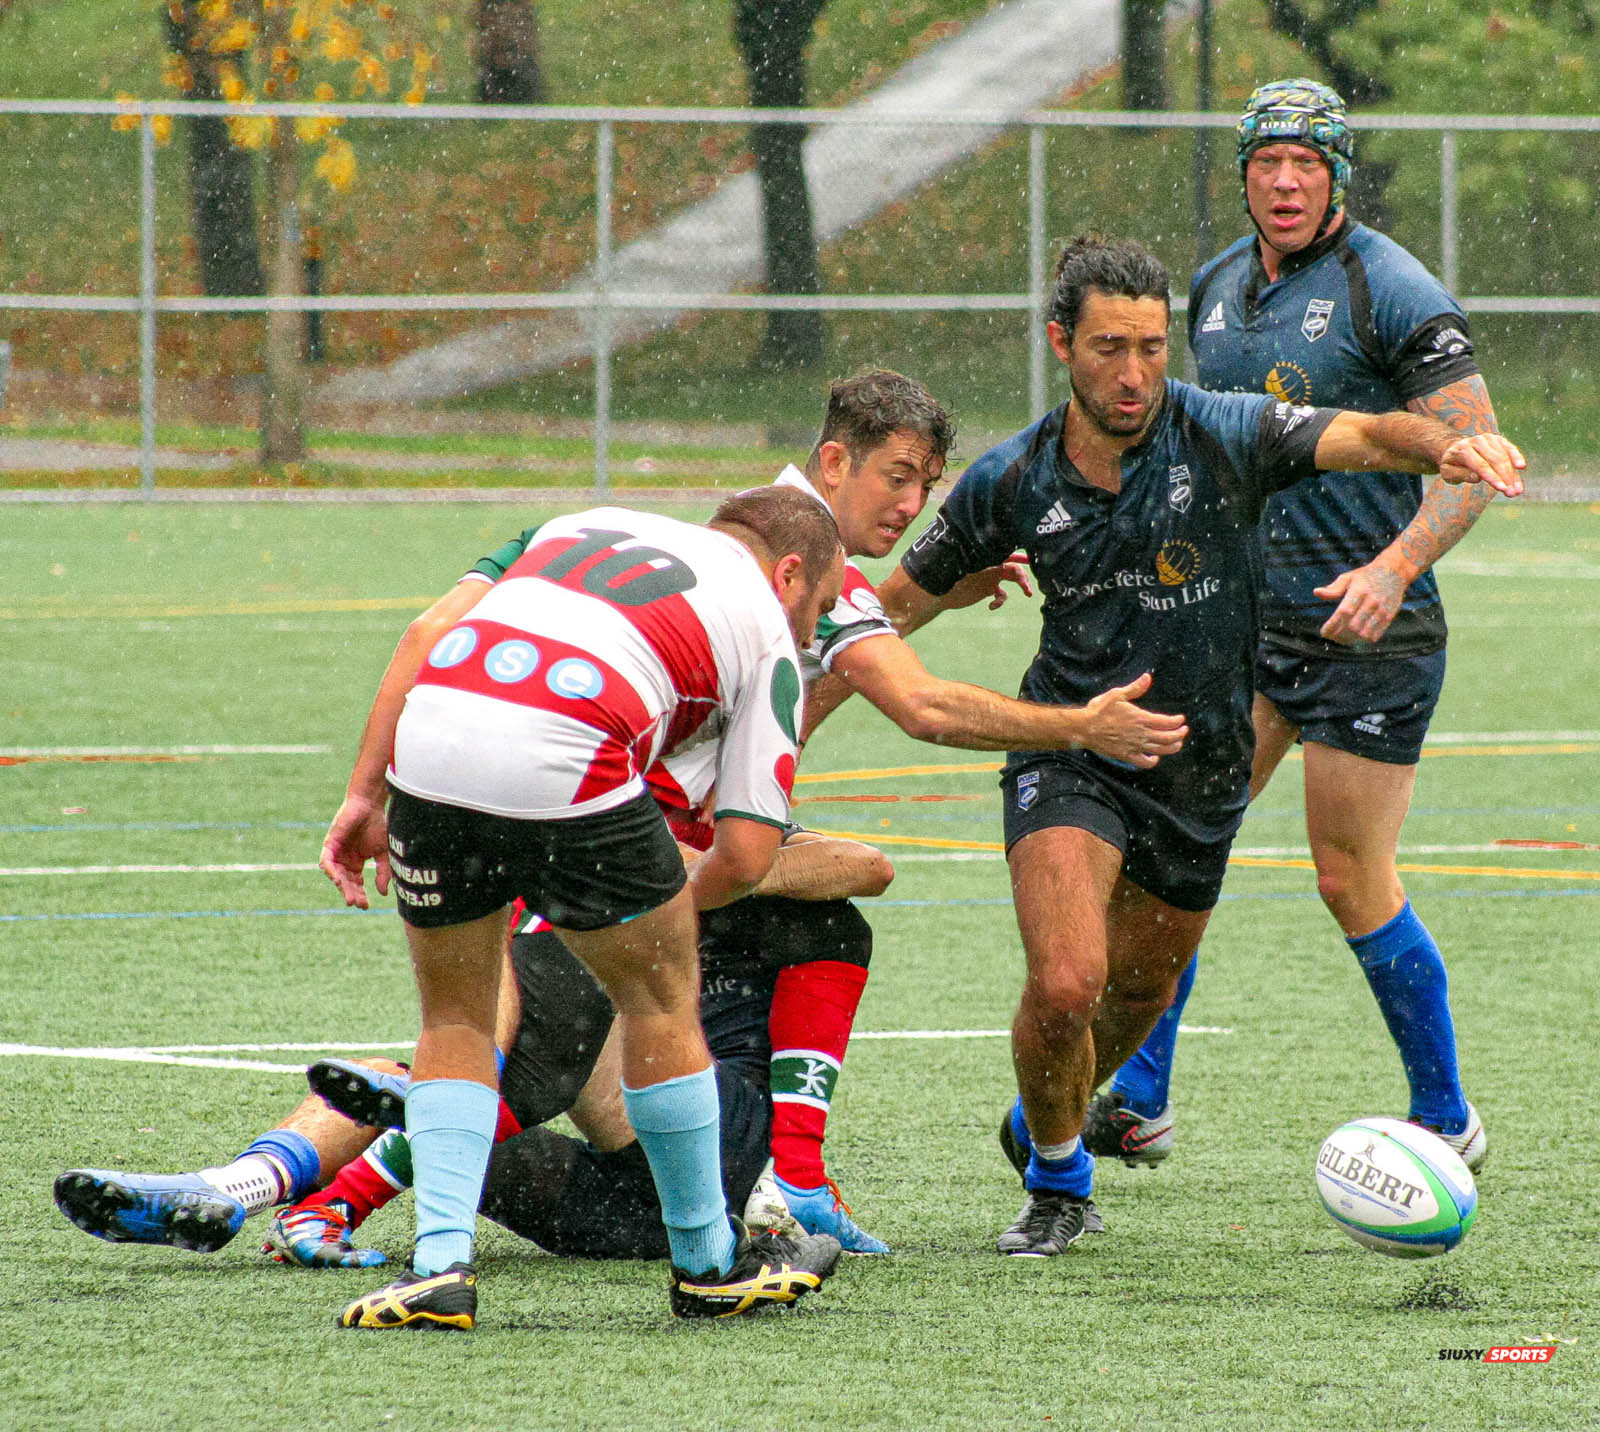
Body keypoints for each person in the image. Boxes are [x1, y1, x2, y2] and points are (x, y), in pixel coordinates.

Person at [874, 235, 1523, 1256]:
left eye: (1147, 346)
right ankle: (1057, 1179)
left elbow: (1354, 430)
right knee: (1065, 980)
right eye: (1105, 349)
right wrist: (775, 696)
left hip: (1202, 767)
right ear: (1060, 343)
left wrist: (1440, 445)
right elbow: (880, 619)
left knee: (1136, 991)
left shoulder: (1224, 431)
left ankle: (1048, 1112)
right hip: (1072, 754)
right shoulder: (1010, 477)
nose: (1131, 374)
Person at [1090, 80, 1499, 1174]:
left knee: (1347, 875)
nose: (1282, 180)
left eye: (1304, 164)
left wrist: (1393, 562)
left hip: (1373, 634)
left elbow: (1475, 458)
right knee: (1175, 852)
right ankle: (1139, 1093)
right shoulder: (1217, 287)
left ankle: (1445, 1112)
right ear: (1241, 175)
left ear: (1336, 177)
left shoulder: (1391, 288)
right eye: (1265, 162)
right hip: (1246, 630)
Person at [317, 487, 847, 1327]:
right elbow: (746, 856)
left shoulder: (578, 524)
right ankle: (709, 1262)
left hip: (432, 742)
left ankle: (439, 1268)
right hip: (575, 742)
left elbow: (425, 636)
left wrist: (363, 794)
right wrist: (658, 918)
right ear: (789, 574)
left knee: (455, 1021)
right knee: (660, 1005)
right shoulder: (768, 635)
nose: (814, 631)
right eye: (818, 606)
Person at [731, 369, 1191, 1252]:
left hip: (622, 810)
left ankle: (792, 1179)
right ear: (834, 462)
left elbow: (816, 682)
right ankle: (385, 1178)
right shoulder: (794, 558)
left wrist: (941, 590)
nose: (912, 504)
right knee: (553, 1079)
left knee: (822, 925)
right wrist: (1078, 727)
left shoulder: (755, 528)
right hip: (625, 834)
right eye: (896, 477)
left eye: (927, 485)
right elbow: (925, 708)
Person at [54, 828, 892, 1276]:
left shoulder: (737, 852)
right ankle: (235, 1190)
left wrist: (702, 872)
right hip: (602, 1214)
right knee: (446, 1070)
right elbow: (495, 1028)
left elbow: (870, 866)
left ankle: (802, 1179)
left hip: (721, 1156)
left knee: (534, 1041)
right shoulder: (581, 882)